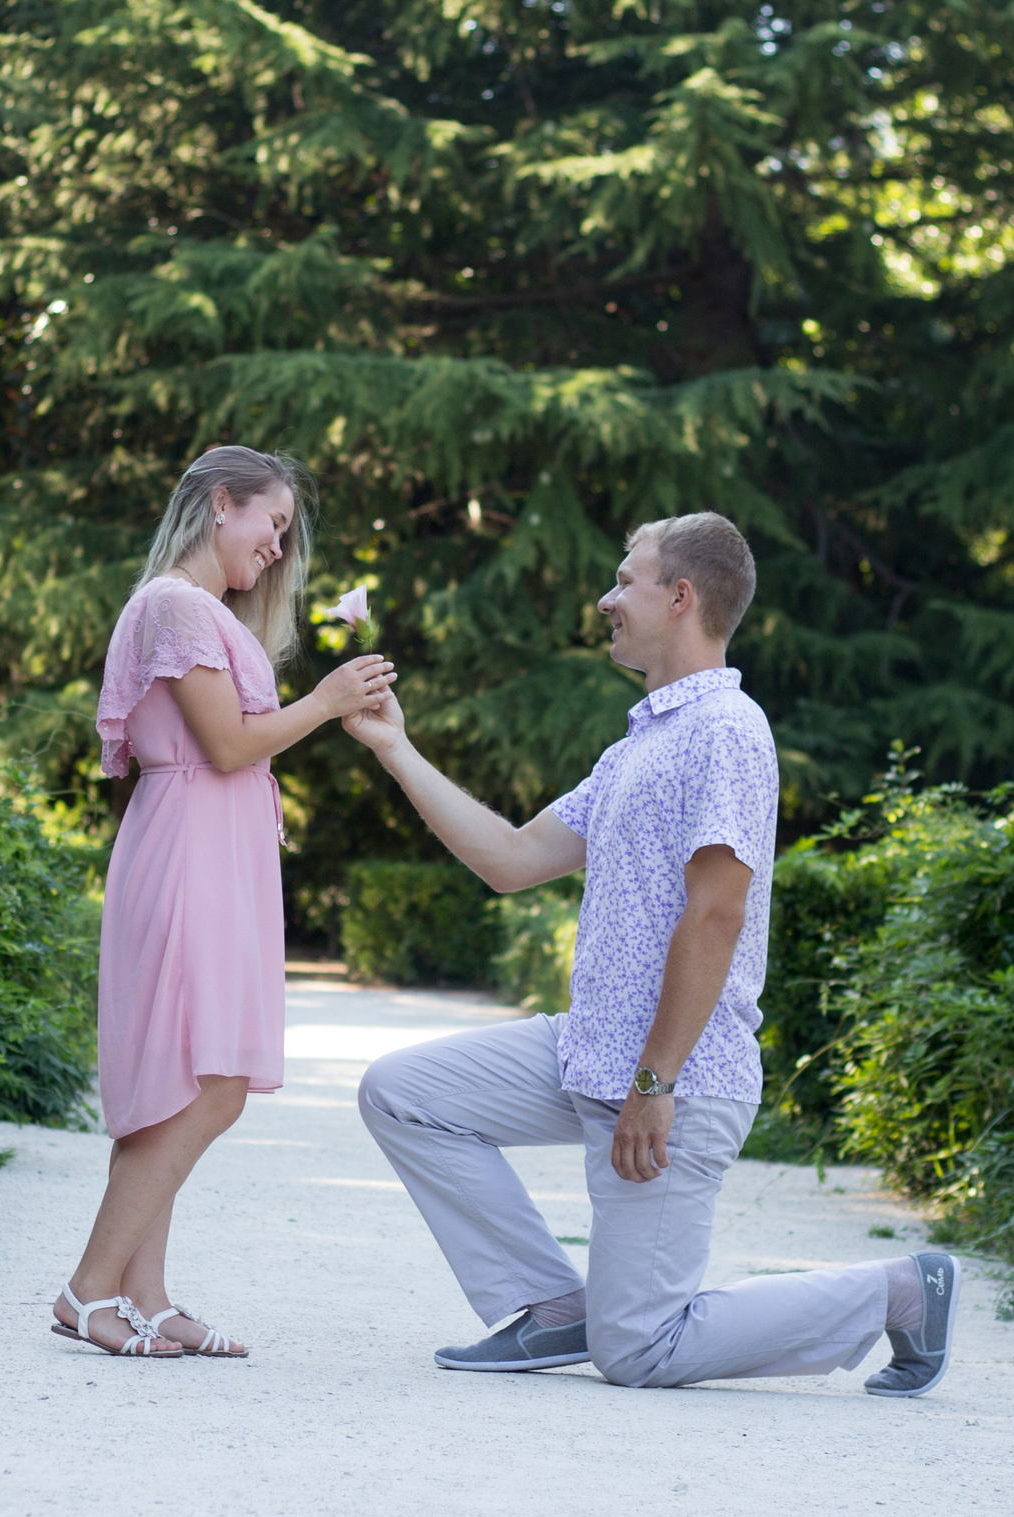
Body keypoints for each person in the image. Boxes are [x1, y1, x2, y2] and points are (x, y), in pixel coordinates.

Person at [344, 512, 960, 1393]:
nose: (606, 599)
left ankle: (902, 1290)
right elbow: (513, 859)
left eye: (624, 580)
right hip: (586, 1050)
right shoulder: (642, 742)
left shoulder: (729, 733)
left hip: (677, 1080)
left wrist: (655, 1082)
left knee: (639, 1349)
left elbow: (718, 915)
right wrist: (395, 748)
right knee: (404, 1095)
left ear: (680, 597)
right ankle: (556, 1308)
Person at [53, 446, 397, 1358]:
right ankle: (89, 1286)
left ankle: (148, 1294)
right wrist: (326, 700)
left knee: (185, 1083)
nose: (278, 548)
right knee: (211, 1083)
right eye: (271, 523)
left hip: (207, 846)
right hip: (190, 846)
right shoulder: (174, 604)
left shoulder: (202, 613)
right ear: (219, 504)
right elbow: (231, 744)